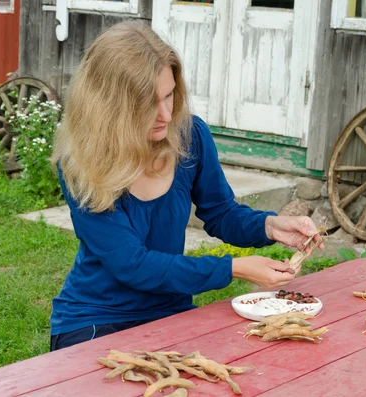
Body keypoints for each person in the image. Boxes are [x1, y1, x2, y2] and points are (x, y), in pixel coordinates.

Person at [48, 21, 323, 351]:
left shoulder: (191, 136)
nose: (166, 114)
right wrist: (233, 269)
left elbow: (221, 213)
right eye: (149, 104)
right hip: (95, 317)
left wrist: (271, 226)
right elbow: (133, 265)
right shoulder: (81, 162)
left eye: (169, 95)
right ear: (111, 108)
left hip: (171, 310)